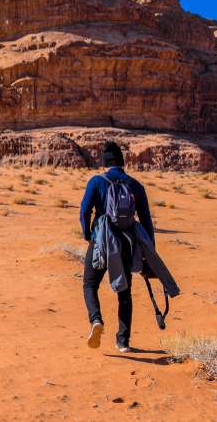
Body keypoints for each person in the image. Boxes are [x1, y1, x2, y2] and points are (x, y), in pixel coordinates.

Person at [79, 141, 154, 353]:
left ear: (105, 163)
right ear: (122, 162)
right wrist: (149, 253)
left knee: (90, 284)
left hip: (101, 241)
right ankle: (123, 341)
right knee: (124, 291)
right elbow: (147, 222)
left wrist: (89, 235)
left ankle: (96, 320)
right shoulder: (136, 186)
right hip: (126, 243)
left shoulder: (96, 181)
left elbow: (84, 212)